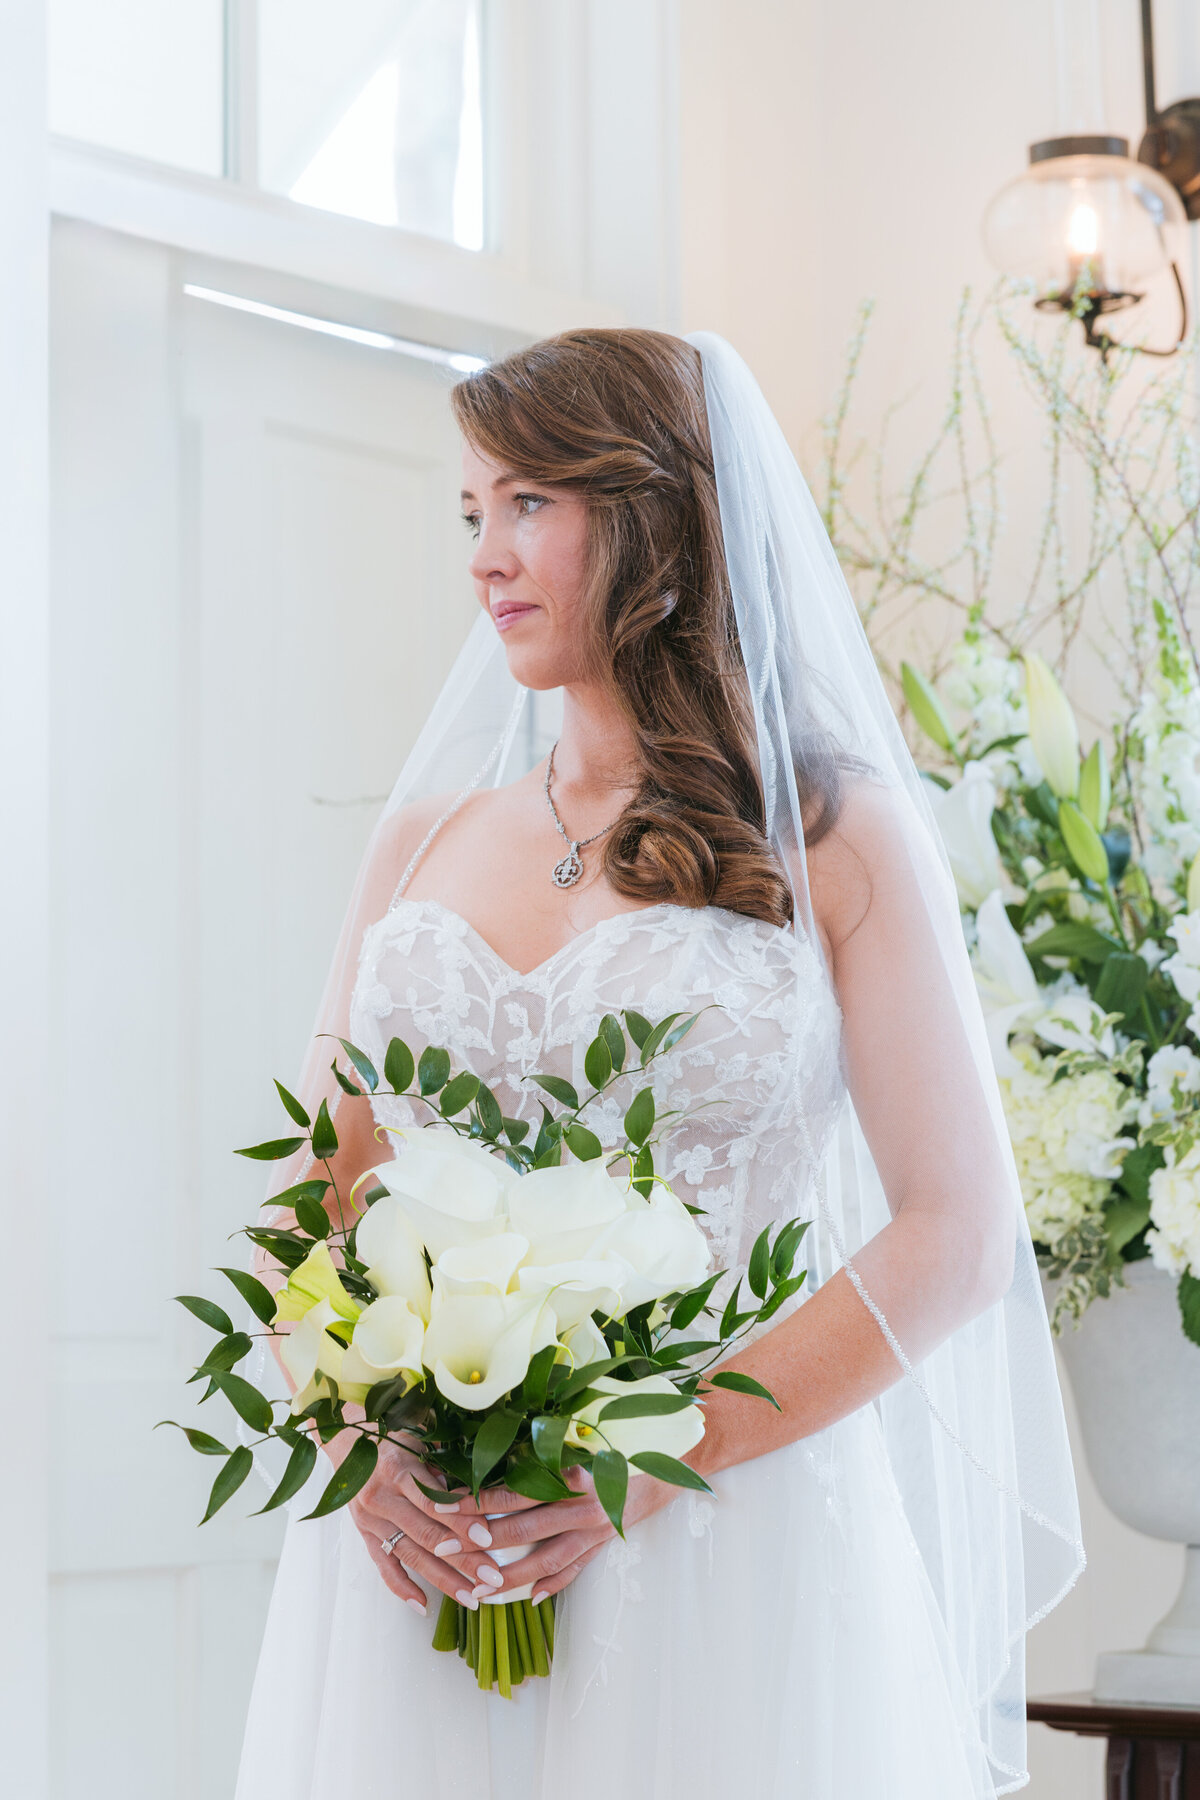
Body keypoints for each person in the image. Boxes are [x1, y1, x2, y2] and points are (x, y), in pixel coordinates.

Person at [235, 329, 1082, 1799]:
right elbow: (321, 1188)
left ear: (659, 524)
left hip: (723, 1536)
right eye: (471, 513)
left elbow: (956, 1234)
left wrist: (644, 1453)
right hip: (433, 1548)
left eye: (530, 505)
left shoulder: (833, 837)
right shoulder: (421, 840)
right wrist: (356, 1434)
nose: (487, 557)